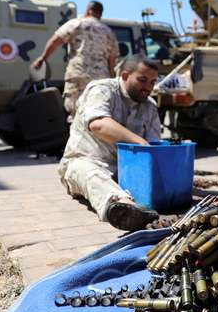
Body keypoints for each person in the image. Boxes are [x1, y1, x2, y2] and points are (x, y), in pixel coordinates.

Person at [58, 55, 161, 231]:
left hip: (125, 171)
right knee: (89, 172)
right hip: (83, 162)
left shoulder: (149, 106)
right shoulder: (101, 89)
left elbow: (154, 146)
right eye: (143, 80)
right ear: (125, 76)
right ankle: (124, 208)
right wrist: (139, 141)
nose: (148, 88)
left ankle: (131, 205)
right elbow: (98, 124)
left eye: (152, 82)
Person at [33, 1, 119, 117]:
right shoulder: (109, 32)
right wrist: (112, 81)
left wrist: (42, 58)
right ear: (100, 14)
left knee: (75, 112)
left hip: (79, 75)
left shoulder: (76, 23)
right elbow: (112, 60)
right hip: (100, 79)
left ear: (88, 10)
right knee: (98, 111)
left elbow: (54, 41)